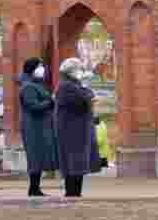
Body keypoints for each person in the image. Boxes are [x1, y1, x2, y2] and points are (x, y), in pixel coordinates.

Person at [55, 58, 100, 198]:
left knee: (76, 163)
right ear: (71, 71)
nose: (80, 71)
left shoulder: (73, 85)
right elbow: (85, 98)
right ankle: (72, 192)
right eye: (78, 69)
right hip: (72, 130)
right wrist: (88, 92)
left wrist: (87, 92)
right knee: (73, 162)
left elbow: (87, 97)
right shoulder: (67, 86)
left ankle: (74, 192)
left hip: (76, 128)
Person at [17, 57, 58, 197]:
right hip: (33, 127)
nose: (43, 69)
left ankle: (35, 188)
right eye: (40, 66)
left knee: (38, 156)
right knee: (35, 156)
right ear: (32, 69)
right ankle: (33, 188)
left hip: (38, 125)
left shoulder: (35, 84)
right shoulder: (28, 86)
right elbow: (33, 106)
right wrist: (50, 102)